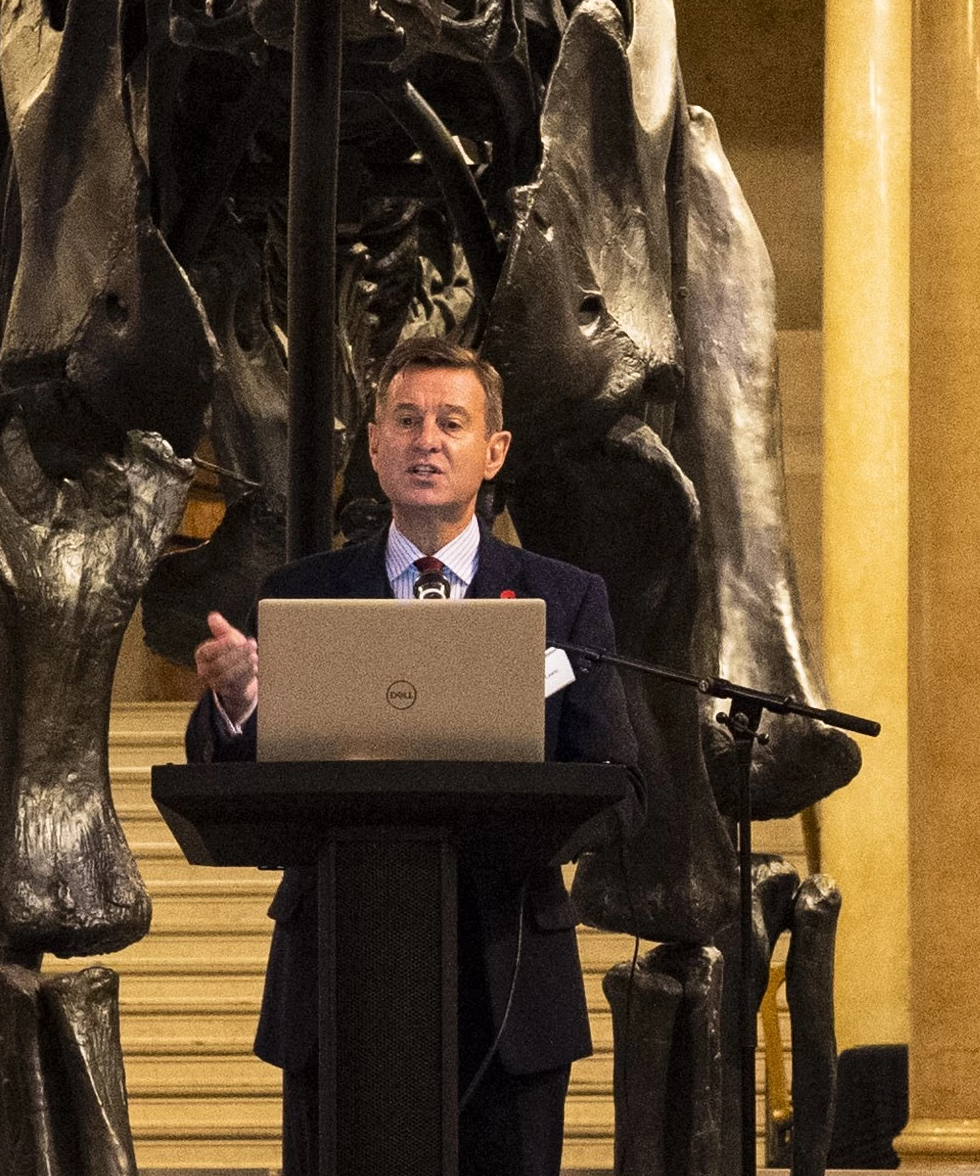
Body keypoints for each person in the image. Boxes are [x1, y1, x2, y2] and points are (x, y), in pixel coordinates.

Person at [186, 333, 642, 1176]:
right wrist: (240, 701)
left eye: (450, 422)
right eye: (405, 419)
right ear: (372, 445)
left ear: (494, 451)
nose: (425, 439)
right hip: (340, 976)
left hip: (508, 971)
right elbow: (233, 780)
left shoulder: (565, 599)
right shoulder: (301, 596)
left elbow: (617, 779)